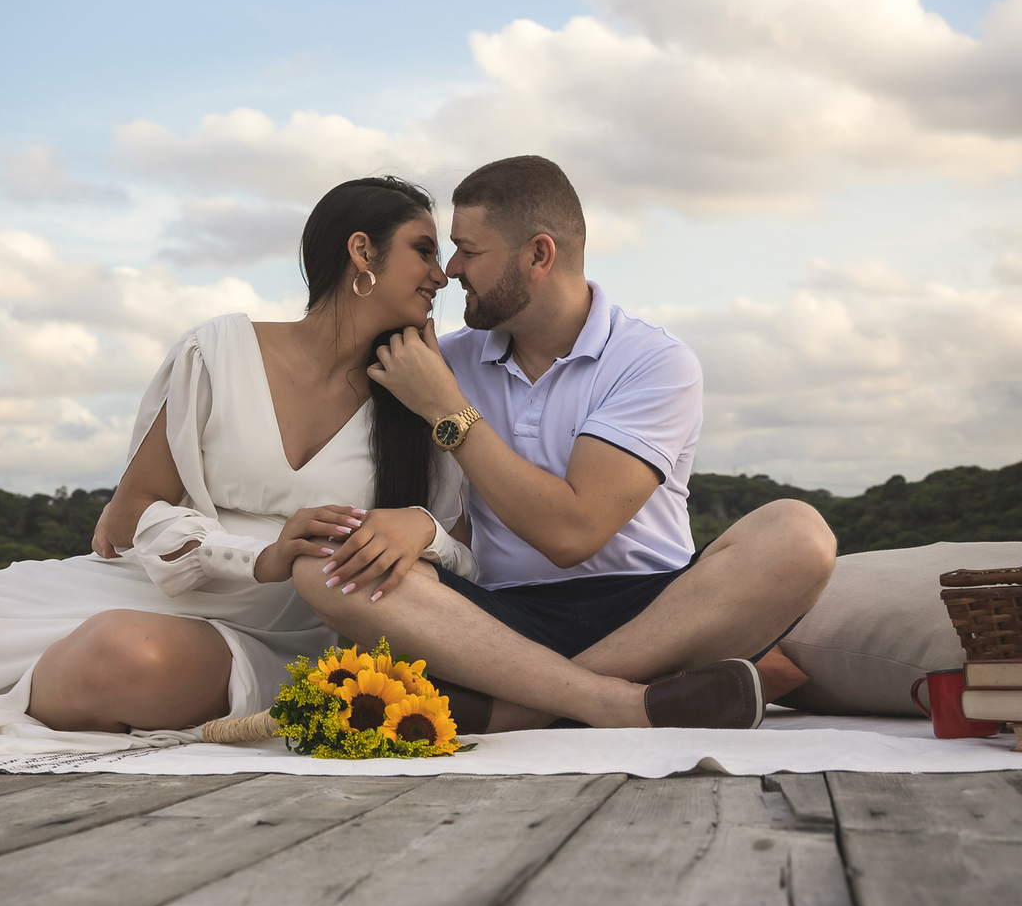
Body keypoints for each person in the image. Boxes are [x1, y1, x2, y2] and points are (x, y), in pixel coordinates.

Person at [0, 176, 476, 758]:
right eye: (423, 249)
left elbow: (458, 546)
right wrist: (256, 556)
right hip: (166, 582)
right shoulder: (220, 351)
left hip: (290, 634)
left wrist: (412, 517)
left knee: (123, 658)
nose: (442, 275)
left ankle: (19, 702)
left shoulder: (421, 390)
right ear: (362, 252)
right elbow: (132, 509)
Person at [291, 155, 837, 731]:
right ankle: (616, 702)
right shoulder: (439, 362)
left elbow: (571, 533)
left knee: (799, 535)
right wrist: (418, 524)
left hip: (656, 610)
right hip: (502, 622)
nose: (451, 270)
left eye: (469, 251)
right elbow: (439, 511)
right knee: (324, 567)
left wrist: (447, 409)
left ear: (538, 256)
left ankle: (523, 708)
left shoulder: (653, 360)